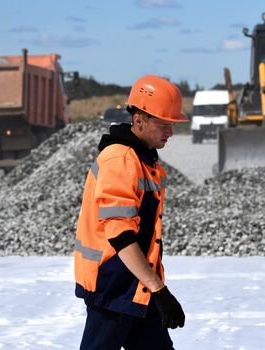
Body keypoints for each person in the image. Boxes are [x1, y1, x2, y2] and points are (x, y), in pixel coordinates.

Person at [74, 75, 187, 350]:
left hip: (138, 286)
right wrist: (159, 289)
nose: (170, 132)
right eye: (163, 124)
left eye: (172, 124)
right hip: (114, 286)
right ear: (139, 120)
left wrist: (155, 287)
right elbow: (121, 234)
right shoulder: (120, 159)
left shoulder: (144, 160)